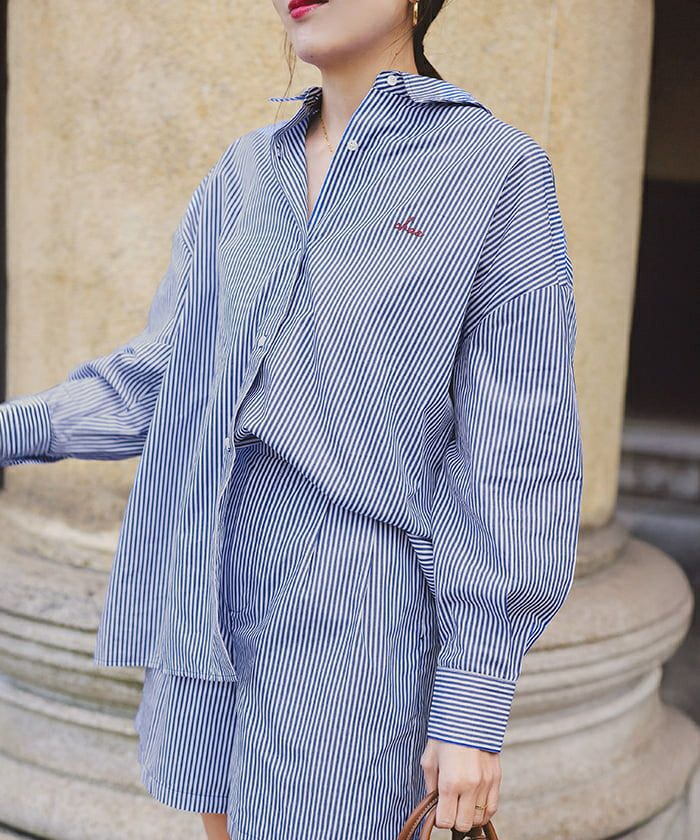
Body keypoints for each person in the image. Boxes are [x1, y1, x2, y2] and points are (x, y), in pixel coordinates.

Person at [0, 0, 584, 838]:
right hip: (205, 586)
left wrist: (473, 703)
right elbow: (162, 377)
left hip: (357, 614)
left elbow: (517, 456)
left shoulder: (495, 173)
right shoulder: (244, 174)